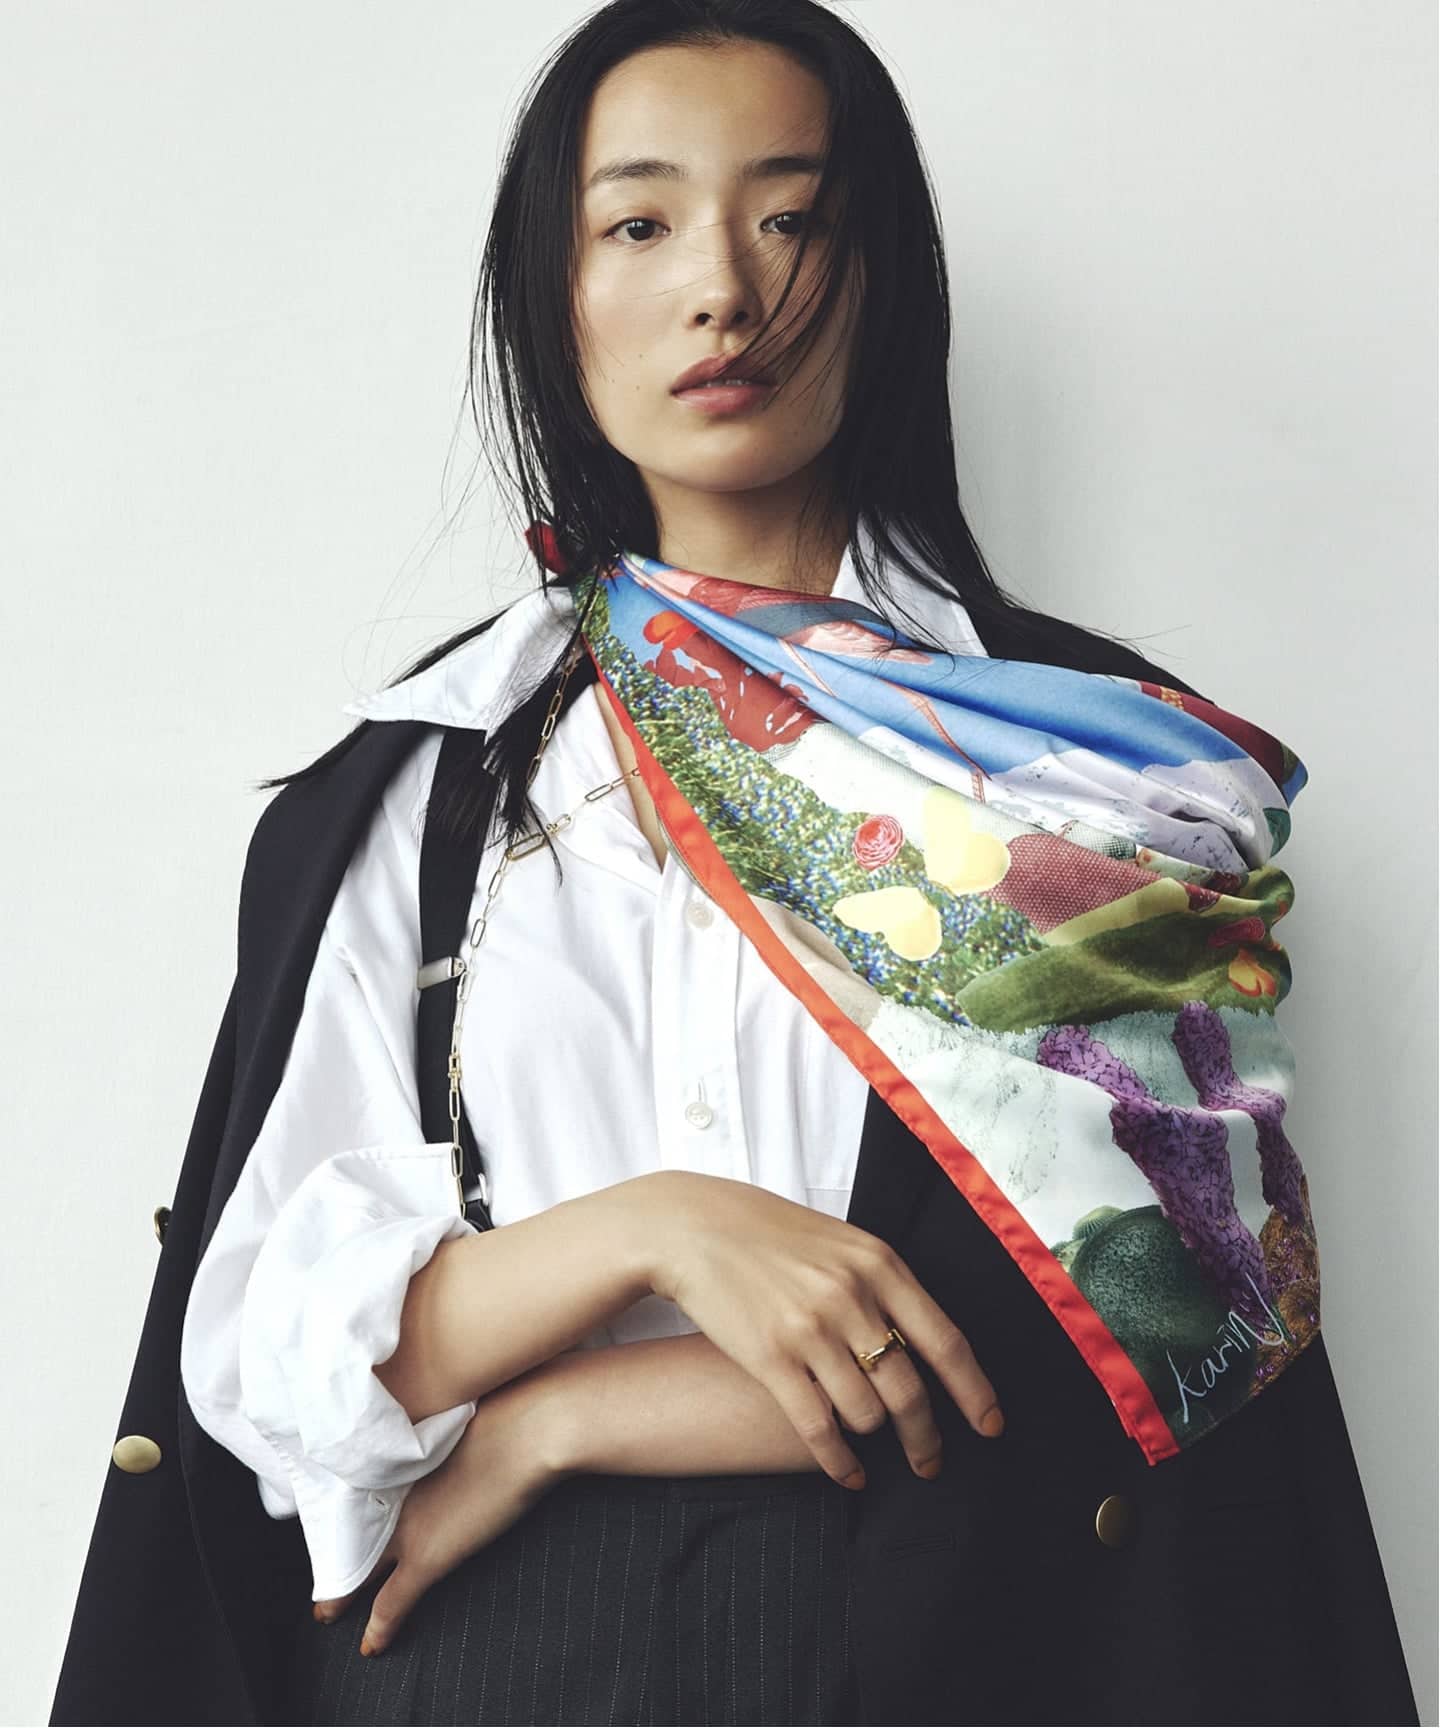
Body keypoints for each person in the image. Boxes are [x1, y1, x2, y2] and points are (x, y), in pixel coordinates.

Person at [51, 3, 1418, 1725]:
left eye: (791, 216)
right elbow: (261, 1360)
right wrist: (652, 1234)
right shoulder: (419, 786)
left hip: (954, 1652)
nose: (723, 287)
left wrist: (567, 1415)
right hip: (472, 1667)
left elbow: (1155, 1323)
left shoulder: (1087, 770)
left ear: (881, 274)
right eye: (638, 224)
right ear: (552, 294)